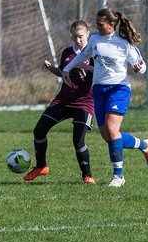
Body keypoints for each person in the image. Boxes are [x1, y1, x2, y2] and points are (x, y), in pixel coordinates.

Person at [61, 7, 148, 188]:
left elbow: (141, 66)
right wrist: (67, 68)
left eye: (100, 24)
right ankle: (145, 145)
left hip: (119, 89)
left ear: (112, 25)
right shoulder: (95, 38)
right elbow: (83, 54)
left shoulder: (124, 43)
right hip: (99, 90)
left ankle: (118, 176)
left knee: (112, 130)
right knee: (109, 136)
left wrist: (139, 68)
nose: (97, 27)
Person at [23, 20, 97, 184]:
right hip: (63, 100)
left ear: (88, 35)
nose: (78, 40)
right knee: (39, 130)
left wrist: (87, 67)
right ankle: (41, 166)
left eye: (81, 37)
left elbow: (103, 72)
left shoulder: (94, 53)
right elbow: (63, 72)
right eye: (75, 37)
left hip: (84, 102)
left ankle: (87, 175)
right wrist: (51, 69)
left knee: (78, 141)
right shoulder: (67, 53)